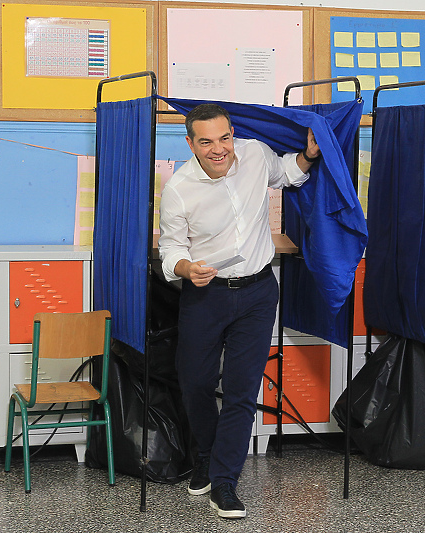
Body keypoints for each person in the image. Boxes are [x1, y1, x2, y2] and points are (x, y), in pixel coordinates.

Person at [158, 103, 320, 519]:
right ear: (191, 142)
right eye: (207, 141)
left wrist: (308, 156)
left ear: (233, 133)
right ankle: (207, 459)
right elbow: (171, 248)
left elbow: (285, 172)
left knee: (241, 391)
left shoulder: (253, 153)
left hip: (258, 293)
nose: (219, 149)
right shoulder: (178, 188)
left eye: (224, 138)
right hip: (205, 294)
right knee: (194, 383)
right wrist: (185, 267)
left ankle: (224, 482)